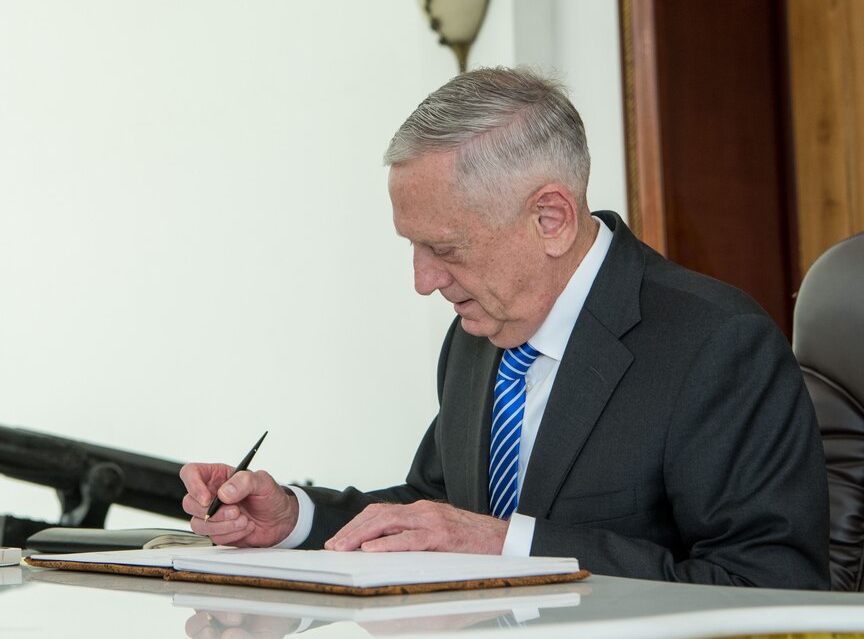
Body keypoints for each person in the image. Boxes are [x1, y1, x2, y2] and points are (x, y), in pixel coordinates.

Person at [179, 67, 830, 589]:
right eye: (412, 246)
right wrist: (295, 516)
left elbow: (770, 585)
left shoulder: (716, 344)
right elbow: (432, 510)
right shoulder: (477, 331)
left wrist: (507, 545)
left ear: (550, 218)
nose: (423, 280)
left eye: (446, 247)